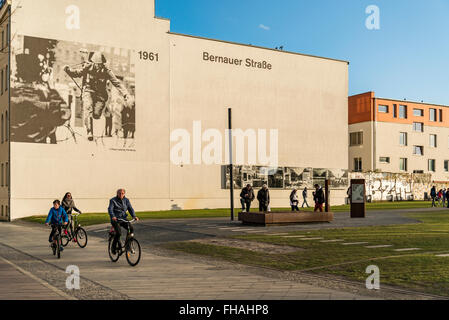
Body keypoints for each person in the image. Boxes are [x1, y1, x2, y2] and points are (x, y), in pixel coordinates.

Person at [64, 52, 133, 141]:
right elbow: (77, 73)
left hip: (101, 95)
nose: (98, 67)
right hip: (88, 91)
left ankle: (94, 115)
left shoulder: (107, 71)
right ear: (93, 62)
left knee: (96, 115)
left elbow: (117, 83)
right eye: (96, 64)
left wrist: (125, 94)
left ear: (102, 64)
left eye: (100, 65)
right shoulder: (88, 67)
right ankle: (89, 132)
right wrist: (68, 69)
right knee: (88, 108)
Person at [108, 189, 140, 254]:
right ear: (117, 193)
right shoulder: (113, 200)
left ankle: (128, 245)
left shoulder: (126, 200)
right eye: (119, 193)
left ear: (124, 194)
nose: (121, 194)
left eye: (122, 193)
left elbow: (130, 209)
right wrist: (113, 216)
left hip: (124, 219)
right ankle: (113, 247)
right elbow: (110, 209)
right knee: (119, 233)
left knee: (131, 229)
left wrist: (134, 216)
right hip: (116, 220)